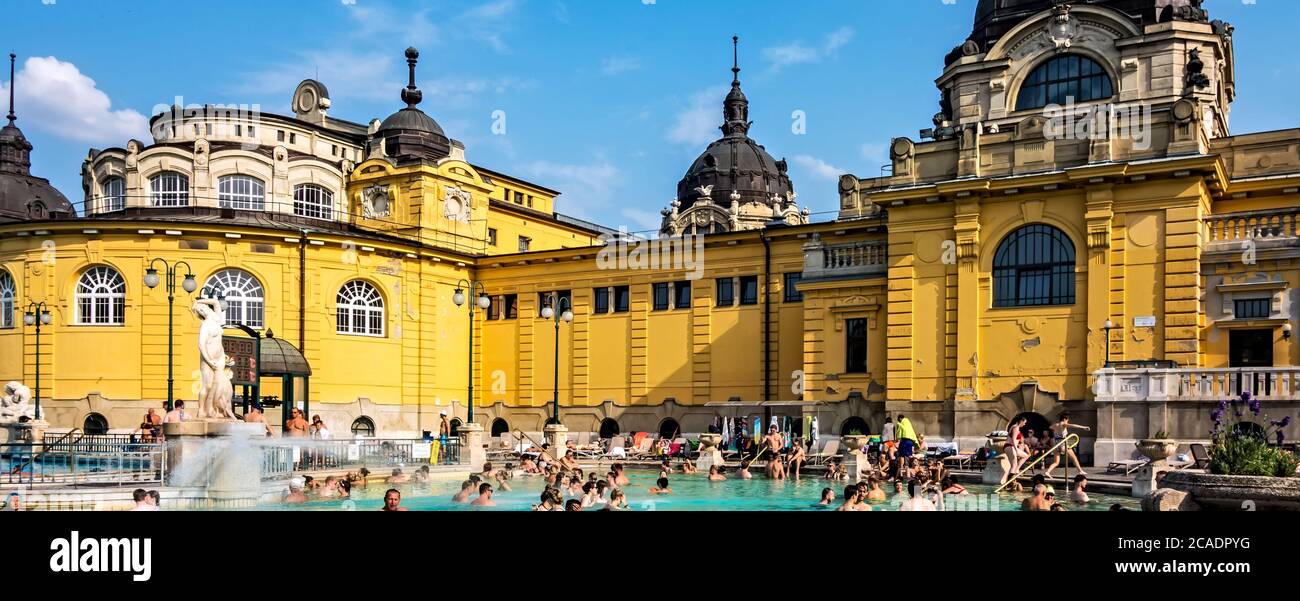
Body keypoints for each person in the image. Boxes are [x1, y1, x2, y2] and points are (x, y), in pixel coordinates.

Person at [1004, 416, 1029, 480]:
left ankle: (1016, 470)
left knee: (1025, 456)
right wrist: (1016, 449)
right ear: (1021, 421)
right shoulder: (1015, 428)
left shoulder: (1014, 426)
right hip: (1010, 446)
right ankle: (1009, 482)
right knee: (1013, 465)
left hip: (1010, 446)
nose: (1024, 424)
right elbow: (1013, 440)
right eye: (1024, 422)